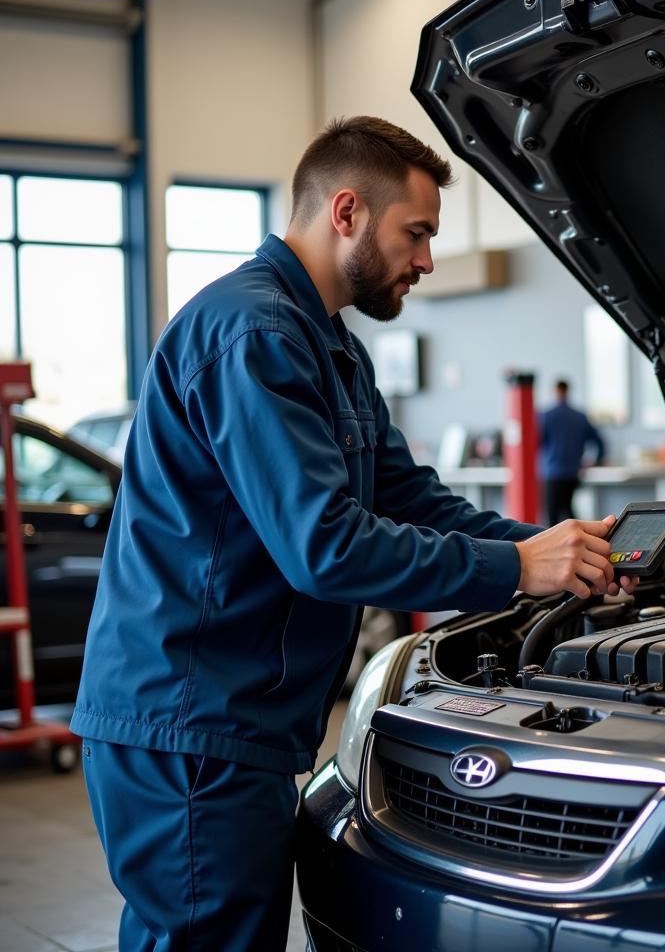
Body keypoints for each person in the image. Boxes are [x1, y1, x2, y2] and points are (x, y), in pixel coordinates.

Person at [71, 117, 634, 952]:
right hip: (189, 722)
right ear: (346, 212)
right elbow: (325, 547)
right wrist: (517, 567)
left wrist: (559, 553)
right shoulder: (254, 334)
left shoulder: (327, 345)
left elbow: (413, 501)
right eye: (418, 232)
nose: (427, 259)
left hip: (238, 722)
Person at [539, 379, 606, 525]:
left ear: (555, 391)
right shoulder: (580, 416)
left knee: (552, 517)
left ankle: (555, 546)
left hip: (553, 473)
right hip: (573, 473)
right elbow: (600, 442)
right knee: (569, 511)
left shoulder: (546, 416)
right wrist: (596, 460)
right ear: (568, 391)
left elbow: (537, 442)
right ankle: (579, 541)